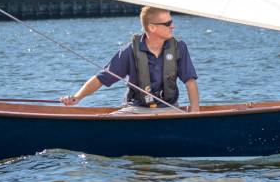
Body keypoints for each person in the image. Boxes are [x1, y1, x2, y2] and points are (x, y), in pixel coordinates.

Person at [60, 6, 200, 113]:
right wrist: (76, 98)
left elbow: (190, 82)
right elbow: (101, 79)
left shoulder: (179, 48)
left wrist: (195, 112)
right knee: (105, 121)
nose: (173, 26)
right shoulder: (129, 51)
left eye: (172, 21)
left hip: (169, 109)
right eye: (168, 23)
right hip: (136, 110)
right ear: (151, 27)